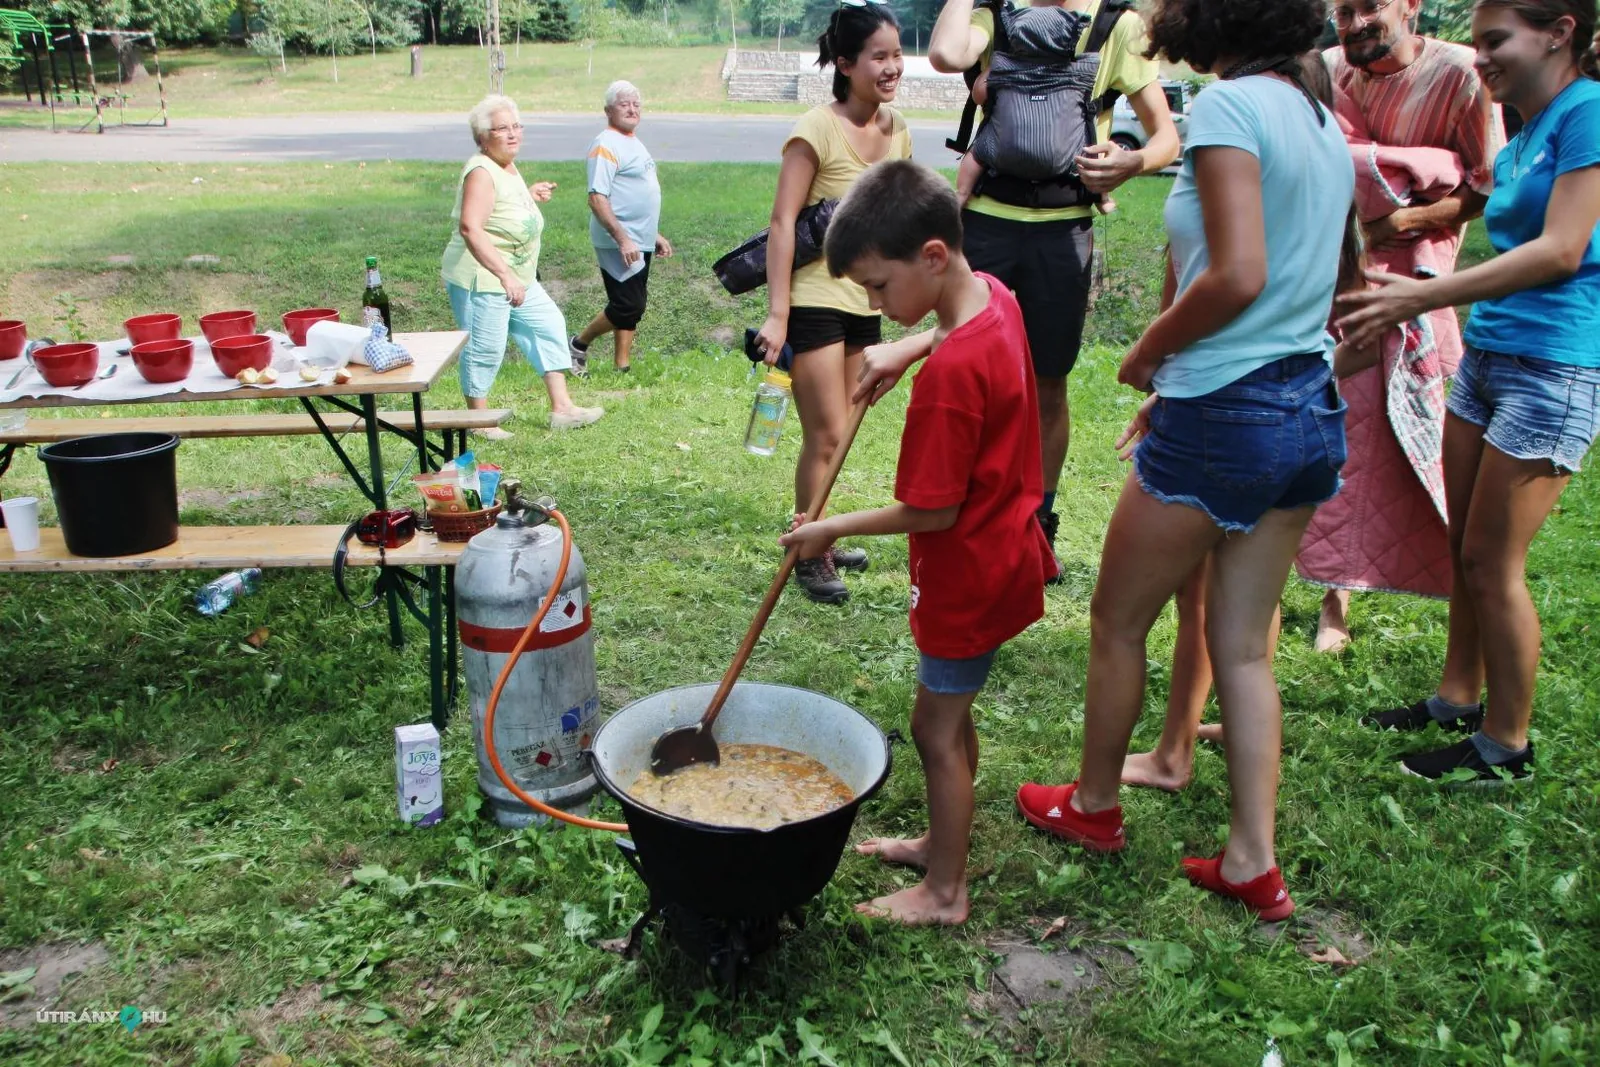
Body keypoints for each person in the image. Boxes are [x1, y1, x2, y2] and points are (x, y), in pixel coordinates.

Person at [1011, 0, 1354, 921]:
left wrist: (1149, 354)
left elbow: (1236, 272)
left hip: (1226, 415)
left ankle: (1091, 806)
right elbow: (1326, 282)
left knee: (1118, 618)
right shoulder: (1321, 117)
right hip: (1309, 410)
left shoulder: (1234, 106)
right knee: (1243, 648)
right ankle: (1253, 859)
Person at [781, 160, 1055, 925]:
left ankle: (946, 891)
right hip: (1002, 554)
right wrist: (909, 345)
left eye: (877, 286)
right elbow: (957, 323)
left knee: (934, 728)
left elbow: (928, 512)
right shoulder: (991, 299)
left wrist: (828, 526)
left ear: (933, 257)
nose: (873, 305)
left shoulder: (951, 383)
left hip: (966, 572)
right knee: (953, 713)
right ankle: (942, 839)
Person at [1338, 0, 1600, 784]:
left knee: (1493, 560)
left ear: (1559, 32)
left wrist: (1421, 296)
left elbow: (1561, 251)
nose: (1477, 58)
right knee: (1464, 545)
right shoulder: (1526, 122)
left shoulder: (1585, 114)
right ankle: (1458, 697)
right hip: (1491, 353)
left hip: (1556, 365)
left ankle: (1507, 745)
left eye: (1495, 41)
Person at [929, 0, 1179, 569]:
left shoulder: (1118, 23)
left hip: (1063, 231)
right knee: (966, 373)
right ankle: (964, 515)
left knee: (1047, 385)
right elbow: (945, 54)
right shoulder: (996, 12)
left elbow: (1167, 139)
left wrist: (1130, 162)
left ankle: (1036, 524)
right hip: (987, 220)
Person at [1298, 0, 1506, 653]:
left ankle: (1458, 592)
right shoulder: (1327, 69)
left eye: (1370, 8)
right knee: (1342, 425)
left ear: (1410, 6)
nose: (1355, 22)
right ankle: (1336, 597)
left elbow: (1484, 184)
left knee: (1425, 428)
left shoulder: (1462, 75)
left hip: (1420, 279)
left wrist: (1405, 221)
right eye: (1344, 9)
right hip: (1337, 273)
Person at [754, 1, 911, 605]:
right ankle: (808, 549)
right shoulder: (815, 128)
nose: (892, 66)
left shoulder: (898, 130)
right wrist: (777, 312)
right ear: (845, 63)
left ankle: (819, 528)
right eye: (879, 56)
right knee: (823, 434)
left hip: (865, 302)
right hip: (815, 297)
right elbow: (782, 221)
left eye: (897, 54)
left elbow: (898, 215)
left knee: (842, 433)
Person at [441, 95, 603, 436]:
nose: (513, 134)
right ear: (483, 137)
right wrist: (504, 276)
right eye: (503, 128)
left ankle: (562, 409)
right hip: (483, 277)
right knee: (485, 346)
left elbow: (502, 205)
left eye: (517, 126)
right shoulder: (482, 171)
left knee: (547, 325)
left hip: (517, 276)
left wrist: (529, 194)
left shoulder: (505, 165)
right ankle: (479, 422)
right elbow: (471, 227)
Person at [568, 81, 673, 376]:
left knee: (630, 304)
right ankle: (578, 344)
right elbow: (597, 198)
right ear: (608, 110)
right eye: (624, 103)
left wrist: (654, 234)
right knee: (630, 304)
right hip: (619, 240)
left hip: (639, 239)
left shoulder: (632, 141)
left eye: (636, 104)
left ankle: (621, 367)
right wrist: (623, 239)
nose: (632, 109)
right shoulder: (605, 144)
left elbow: (636, 194)